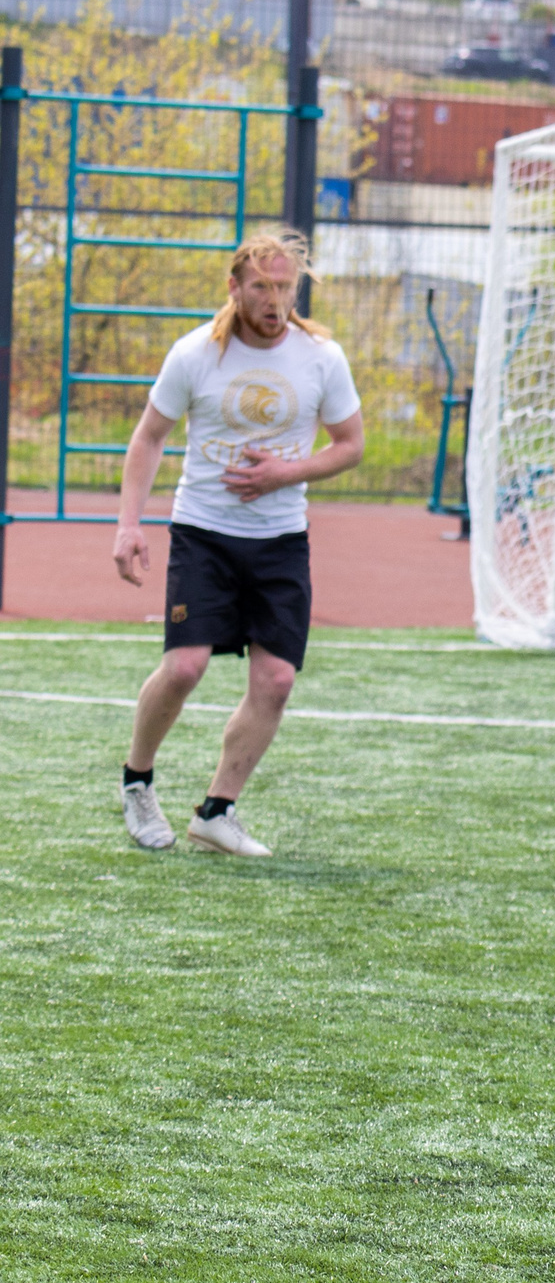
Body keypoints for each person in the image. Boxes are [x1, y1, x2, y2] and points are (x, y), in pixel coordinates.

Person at [111, 232, 366, 857]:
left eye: (285, 287)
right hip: (204, 534)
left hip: (280, 542)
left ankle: (216, 812)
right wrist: (128, 524)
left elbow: (351, 444)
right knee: (185, 666)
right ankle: (138, 782)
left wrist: (286, 473)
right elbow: (148, 437)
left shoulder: (321, 357)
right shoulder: (196, 353)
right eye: (262, 287)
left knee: (276, 680)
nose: (275, 300)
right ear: (235, 287)